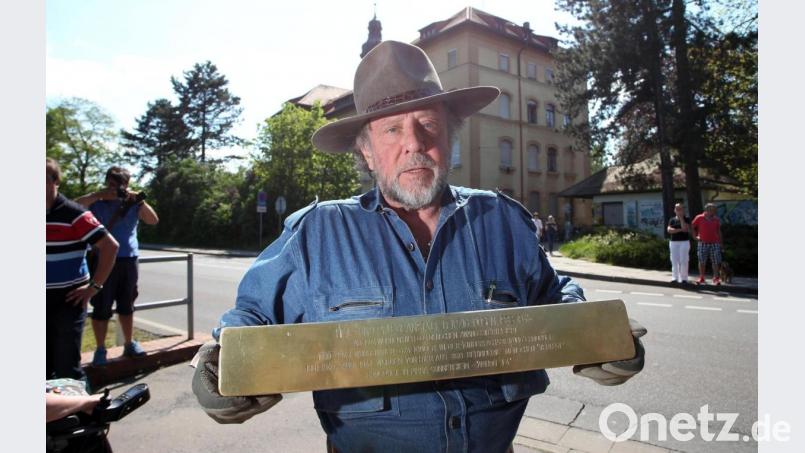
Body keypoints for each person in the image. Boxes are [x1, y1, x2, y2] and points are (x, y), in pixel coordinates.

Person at [192, 41, 646, 452]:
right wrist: (218, 365)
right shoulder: (317, 233)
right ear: (366, 151)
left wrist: (598, 336)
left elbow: (552, 295)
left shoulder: (501, 220)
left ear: (450, 138)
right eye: (391, 130)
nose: (414, 144)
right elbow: (249, 319)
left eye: (428, 125)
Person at [77, 167, 159, 365]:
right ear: (106, 182)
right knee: (101, 306)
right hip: (103, 259)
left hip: (128, 260)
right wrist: (99, 195)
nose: (115, 189)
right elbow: (75, 206)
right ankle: (100, 349)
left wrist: (138, 199)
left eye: (120, 185)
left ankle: (129, 343)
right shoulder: (97, 203)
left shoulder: (132, 204)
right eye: (112, 184)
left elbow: (153, 220)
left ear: (127, 185)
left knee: (127, 304)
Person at [47, 158, 119, 380]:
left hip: (69, 298)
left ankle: (82, 411)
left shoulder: (74, 213)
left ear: (55, 181)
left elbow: (110, 246)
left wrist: (94, 287)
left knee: (67, 366)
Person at [691, 203, 723, 285]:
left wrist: (721, 243)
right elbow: (692, 227)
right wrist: (695, 237)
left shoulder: (716, 219)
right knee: (702, 261)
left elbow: (718, 231)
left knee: (715, 261)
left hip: (715, 243)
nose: (713, 211)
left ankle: (716, 278)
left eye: (714, 210)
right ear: (707, 210)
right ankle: (701, 277)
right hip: (702, 242)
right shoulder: (699, 217)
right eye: (711, 209)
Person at [666, 203, 691, 284]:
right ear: (674, 210)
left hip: (684, 242)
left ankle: (684, 278)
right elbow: (669, 230)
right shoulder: (672, 220)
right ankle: (675, 278)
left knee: (684, 260)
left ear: (683, 210)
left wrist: (681, 219)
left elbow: (685, 229)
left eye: (680, 209)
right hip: (673, 242)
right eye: (677, 209)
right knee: (674, 260)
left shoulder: (686, 219)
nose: (678, 210)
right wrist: (680, 230)